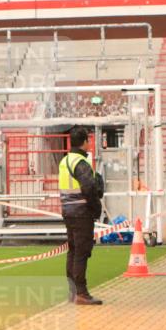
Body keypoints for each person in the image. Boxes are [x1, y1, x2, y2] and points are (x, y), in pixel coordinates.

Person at [58, 126, 103, 305]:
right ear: (85, 141)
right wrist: (96, 208)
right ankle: (81, 293)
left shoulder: (65, 160)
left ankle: (73, 292)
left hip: (68, 211)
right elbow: (89, 189)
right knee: (81, 252)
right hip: (81, 213)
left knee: (73, 250)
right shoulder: (80, 162)